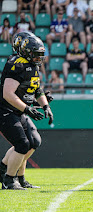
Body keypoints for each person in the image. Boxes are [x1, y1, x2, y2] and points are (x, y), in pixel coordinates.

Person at [0, 36, 53, 190]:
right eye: (35, 54)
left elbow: (37, 89)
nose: (39, 58)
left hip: (19, 111)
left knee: (34, 141)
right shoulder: (16, 64)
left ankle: (6, 170)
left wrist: (45, 106)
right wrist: (28, 108)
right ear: (26, 52)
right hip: (6, 110)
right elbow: (8, 94)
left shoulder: (32, 65)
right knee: (22, 144)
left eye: (40, 55)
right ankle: (9, 180)